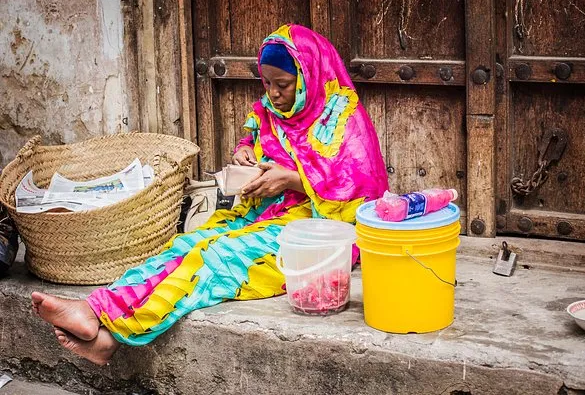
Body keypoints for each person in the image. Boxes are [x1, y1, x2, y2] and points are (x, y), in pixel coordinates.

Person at [31, 24, 389, 365]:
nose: (274, 94)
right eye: (267, 83)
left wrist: (292, 181)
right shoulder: (270, 109)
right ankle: (98, 310)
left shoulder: (343, 118)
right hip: (262, 214)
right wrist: (245, 153)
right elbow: (255, 140)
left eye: (284, 84)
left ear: (310, 78)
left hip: (316, 236)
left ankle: (108, 332)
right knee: (186, 246)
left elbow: (363, 191)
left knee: (216, 258)